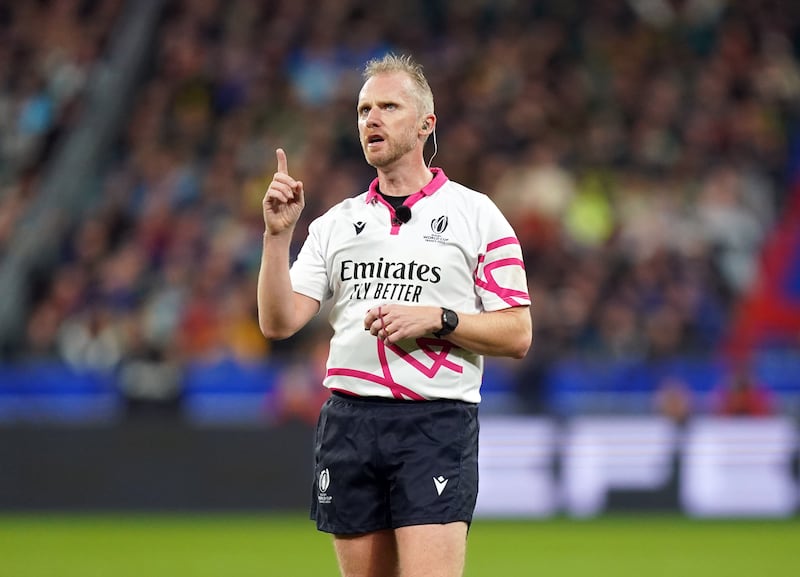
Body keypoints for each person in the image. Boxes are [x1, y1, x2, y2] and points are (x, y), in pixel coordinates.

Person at [257, 53, 531, 577]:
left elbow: (518, 334)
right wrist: (276, 237)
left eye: (388, 106)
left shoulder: (477, 216)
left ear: (427, 124)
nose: (371, 120)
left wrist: (440, 319)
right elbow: (278, 322)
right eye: (363, 110)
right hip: (349, 422)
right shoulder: (337, 222)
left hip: (434, 422)